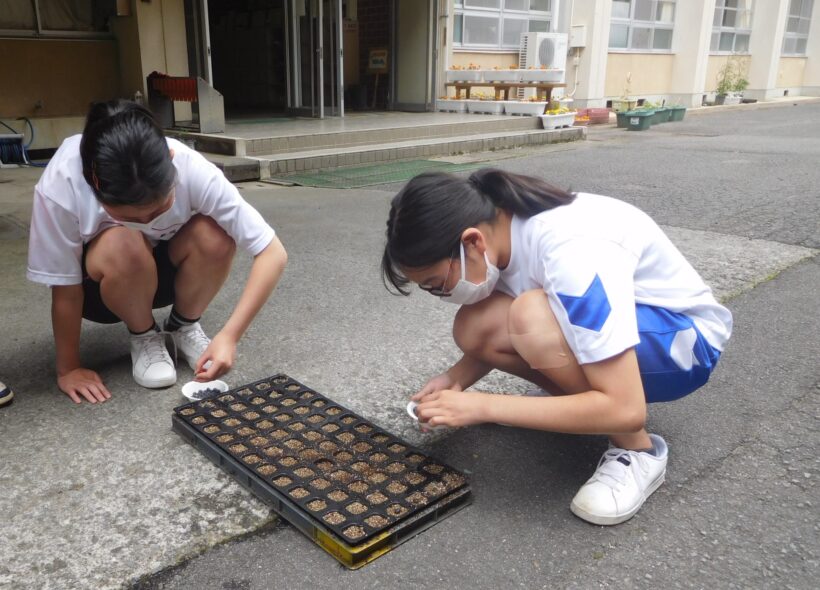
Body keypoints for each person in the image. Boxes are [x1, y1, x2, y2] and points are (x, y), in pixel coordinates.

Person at [381, 168, 732, 526]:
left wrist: (482, 406)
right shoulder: (501, 225)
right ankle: (580, 406)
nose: (443, 295)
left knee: (531, 315)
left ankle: (637, 451)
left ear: (472, 243)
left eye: (437, 284)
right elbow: (488, 331)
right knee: (475, 326)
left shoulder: (571, 252)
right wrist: (454, 380)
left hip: (685, 346)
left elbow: (627, 409)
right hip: (644, 332)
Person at [27, 100, 287, 404]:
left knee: (216, 234)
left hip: (166, 276)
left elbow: (272, 252)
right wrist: (68, 368)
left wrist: (229, 336)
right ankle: (144, 335)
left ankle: (183, 325)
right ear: (92, 184)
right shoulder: (61, 184)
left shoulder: (191, 167)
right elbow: (65, 290)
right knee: (124, 242)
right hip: (102, 291)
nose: (147, 223)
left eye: (159, 210)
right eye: (132, 217)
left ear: (171, 159)